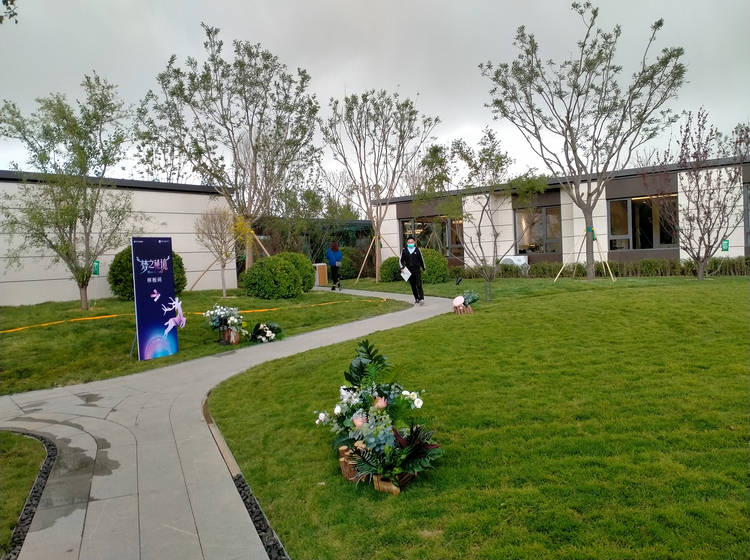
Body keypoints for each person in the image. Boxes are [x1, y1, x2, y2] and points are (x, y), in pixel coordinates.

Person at [400, 235, 426, 305]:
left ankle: (421, 298)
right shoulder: (404, 250)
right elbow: (400, 260)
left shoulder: (417, 250)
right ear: (407, 243)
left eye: (412, 242)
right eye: (409, 242)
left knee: (419, 284)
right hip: (408, 271)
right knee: (413, 285)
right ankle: (416, 298)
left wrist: (424, 268)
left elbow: (421, 260)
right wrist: (402, 267)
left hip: (417, 270)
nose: (410, 243)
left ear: (414, 242)